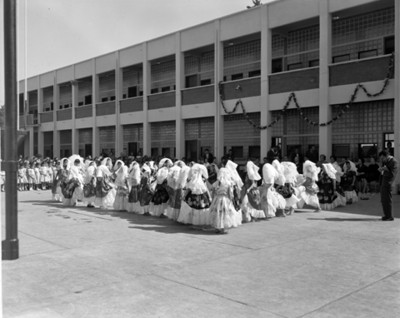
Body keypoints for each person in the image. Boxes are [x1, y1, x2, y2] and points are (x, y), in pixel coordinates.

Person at [378, 150, 398, 221]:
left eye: (383, 158)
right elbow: (383, 169)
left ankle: (390, 216)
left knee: (387, 200)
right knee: (383, 200)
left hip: (388, 183)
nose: (382, 160)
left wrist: (386, 169)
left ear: (386, 156)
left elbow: (393, 174)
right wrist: (381, 169)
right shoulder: (385, 161)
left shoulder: (393, 162)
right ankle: (386, 215)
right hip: (383, 182)